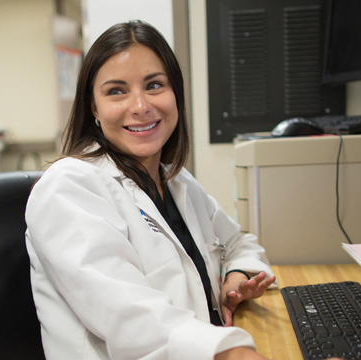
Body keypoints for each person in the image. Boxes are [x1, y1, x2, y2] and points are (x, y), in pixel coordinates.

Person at [25, 20, 277, 360]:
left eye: (155, 85)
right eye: (116, 91)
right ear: (94, 108)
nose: (141, 105)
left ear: (176, 94)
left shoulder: (177, 182)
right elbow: (128, 314)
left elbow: (239, 243)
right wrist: (233, 354)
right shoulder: (68, 188)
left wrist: (235, 276)